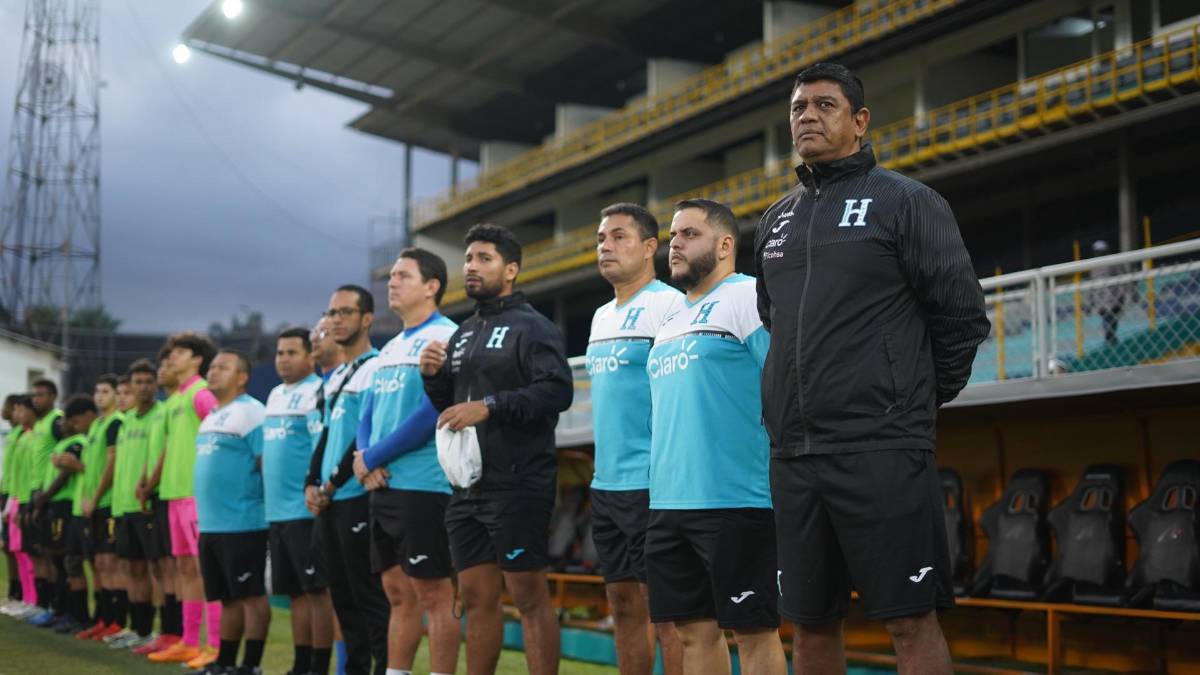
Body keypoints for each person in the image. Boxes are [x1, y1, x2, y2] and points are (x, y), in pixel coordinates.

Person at [755, 62, 990, 675]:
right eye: (799, 107)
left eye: (824, 105)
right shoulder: (774, 221)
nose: (807, 115)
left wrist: (906, 404)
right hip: (794, 453)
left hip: (881, 447)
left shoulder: (907, 202)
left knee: (910, 621)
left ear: (859, 122)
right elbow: (778, 322)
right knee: (808, 627)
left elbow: (962, 317)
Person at [420, 223, 573, 675]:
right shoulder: (463, 332)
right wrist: (434, 378)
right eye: (468, 258)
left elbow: (556, 392)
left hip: (519, 481)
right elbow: (452, 409)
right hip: (467, 487)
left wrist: (488, 406)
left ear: (510, 270)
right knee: (474, 598)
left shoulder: (534, 326)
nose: (471, 266)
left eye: (483, 259)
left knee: (527, 596)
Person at [643, 199, 785, 675]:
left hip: (737, 500)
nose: (674, 245)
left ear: (725, 245)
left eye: (688, 234)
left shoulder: (748, 297)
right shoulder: (670, 318)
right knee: (691, 634)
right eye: (672, 236)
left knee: (753, 631)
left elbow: (785, 388)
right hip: (667, 503)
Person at [586, 203, 684, 675]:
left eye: (619, 237)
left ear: (650, 248)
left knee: (670, 614)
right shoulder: (601, 316)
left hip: (655, 485)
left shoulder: (670, 305)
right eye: (601, 239)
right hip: (607, 487)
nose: (606, 246)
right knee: (622, 606)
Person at [352, 248, 459, 675]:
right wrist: (364, 457)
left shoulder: (447, 336)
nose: (392, 283)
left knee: (435, 594)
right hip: (384, 484)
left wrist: (372, 456)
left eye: (403, 276)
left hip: (425, 483)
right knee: (397, 593)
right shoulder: (390, 347)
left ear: (431, 287)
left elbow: (433, 411)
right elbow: (368, 413)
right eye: (391, 276)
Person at [305, 285, 389, 675]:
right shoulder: (338, 374)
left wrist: (333, 484)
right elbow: (325, 434)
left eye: (345, 312)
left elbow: (362, 435)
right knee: (342, 598)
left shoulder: (376, 366)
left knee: (368, 597)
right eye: (331, 312)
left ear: (366, 319)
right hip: (331, 500)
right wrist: (311, 482)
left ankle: (386, 668)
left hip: (356, 496)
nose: (336, 320)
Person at [263, 327, 335, 675]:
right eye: (279, 353)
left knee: (317, 592)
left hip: (305, 510)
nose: (284, 360)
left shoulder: (316, 392)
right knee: (294, 595)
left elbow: (320, 448)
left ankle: (319, 667)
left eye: (292, 352)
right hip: (277, 513)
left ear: (310, 356)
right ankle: (300, 664)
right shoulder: (275, 394)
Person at [194, 350, 270, 675]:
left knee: (251, 596)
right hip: (211, 524)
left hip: (244, 522)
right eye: (211, 367)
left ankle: (250, 665)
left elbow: (266, 463)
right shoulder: (211, 415)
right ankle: (225, 661)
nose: (213, 372)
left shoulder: (253, 413)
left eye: (223, 367)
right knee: (227, 598)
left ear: (242, 377)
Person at [147, 332, 222, 665]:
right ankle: (190, 641)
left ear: (197, 359)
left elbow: (221, 431)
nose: (172, 357)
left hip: (196, 496)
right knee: (185, 571)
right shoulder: (175, 398)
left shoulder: (200, 393)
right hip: (174, 495)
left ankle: (216, 645)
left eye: (179, 352)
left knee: (205, 572)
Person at [109, 359, 171, 650]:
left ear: (156, 385)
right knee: (132, 568)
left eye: (149, 381)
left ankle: (165, 630)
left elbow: (161, 455)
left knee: (158, 569)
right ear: (131, 387)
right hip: (123, 507)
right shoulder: (126, 421)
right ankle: (140, 628)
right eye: (138, 382)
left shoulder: (161, 416)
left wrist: (148, 487)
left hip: (148, 503)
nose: (144, 387)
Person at [72, 374, 125, 640]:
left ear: (117, 394)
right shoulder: (96, 426)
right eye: (97, 391)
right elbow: (89, 468)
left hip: (107, 504)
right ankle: (103, 618)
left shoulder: (116, 423)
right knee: (97, 563)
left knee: (109, 563)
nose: (100, 396)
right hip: (90, 505)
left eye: (106, 391)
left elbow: (111, 464)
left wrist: (95, 498)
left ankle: (117, 621)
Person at [43, 393, 97, 633]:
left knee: (75, 561)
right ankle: (69, 612)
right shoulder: (74, 441)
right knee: (65, 560)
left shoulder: (81, 442)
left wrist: (43, 497)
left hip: (73, 506)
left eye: (72, 420)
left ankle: (81, 615)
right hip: (72, 507)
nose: (68, 424)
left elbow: (74, 470)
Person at [27, 378, 66, 627]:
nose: (36, 399)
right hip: (36, 491)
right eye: (35, 395)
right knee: (40, 552)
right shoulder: (39, 424)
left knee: (54, 555)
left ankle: (57, 607)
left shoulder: (56, 422)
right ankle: (44, 604)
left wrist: (46, 494)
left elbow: (66, 450)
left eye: (41, 395)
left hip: (49, 496)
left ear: (53, 396)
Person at [2, 395, 38, 616]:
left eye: (17, 409)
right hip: (14, 497)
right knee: (16, 550)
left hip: (26, 498)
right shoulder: (18, 435)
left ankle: (32, 599)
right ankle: (23, 597)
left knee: (29, 552)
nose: (14, 413)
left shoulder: (33, 435)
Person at [1087, 239, 1130, 346]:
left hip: (1113, 299)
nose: (1098, 254)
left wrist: (1122, 295)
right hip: (1100, 301)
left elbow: (1121, 279)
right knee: (1108, 320)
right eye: (1097, 251)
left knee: (1111, 320)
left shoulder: (1113, 262)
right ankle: (1110, 340)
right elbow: (1092, 286)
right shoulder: (1093, 266)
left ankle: (1110, 340)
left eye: (1100, 251)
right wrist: (1090, 302)